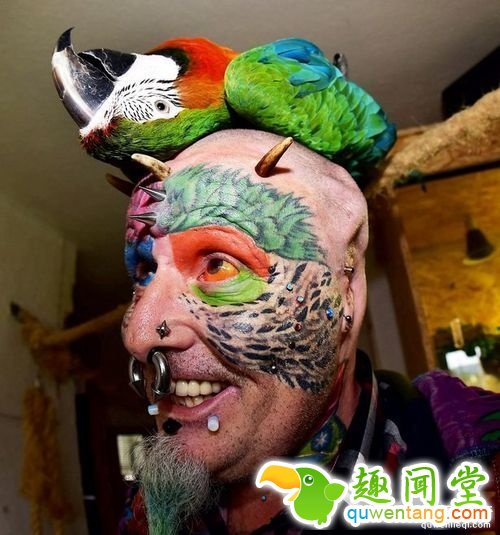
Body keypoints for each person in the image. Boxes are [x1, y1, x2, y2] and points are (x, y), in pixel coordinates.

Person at [119, 129, 499, 534]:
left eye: (218, 266)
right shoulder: (147, 510)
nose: (139, 335)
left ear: (346, 290)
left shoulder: (477, 472)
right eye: (145, 272)